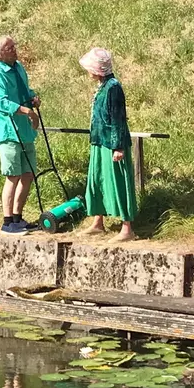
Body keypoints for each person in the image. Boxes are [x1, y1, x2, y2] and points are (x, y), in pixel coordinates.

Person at [77, 47, 137, 242]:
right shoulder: (103, 86)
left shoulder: (113, 88)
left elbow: (118, 118)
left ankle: (127, 228)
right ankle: (98, 222)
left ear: (97, 69)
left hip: (112, 144)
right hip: (99, 141)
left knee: (118, 182)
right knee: (97, 180)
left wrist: (118, 146)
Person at [0, 35, 41, 235]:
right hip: (9, 131)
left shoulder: (18, 67)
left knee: (28, 174)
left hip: (25, 131)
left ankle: (18, 217)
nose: (14, 49)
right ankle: (7, 222)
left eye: (14, 46)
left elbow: (24, 90)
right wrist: (26, 111)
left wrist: (33, 98)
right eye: (10, 48)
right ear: (0, 54)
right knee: (13, 175)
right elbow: (0, 102)